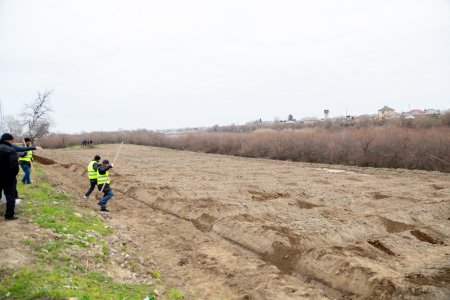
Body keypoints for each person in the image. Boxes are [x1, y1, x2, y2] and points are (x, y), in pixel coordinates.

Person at [0, 133, 20, 220]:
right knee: (10, 196)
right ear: (8, 140)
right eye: (12, 140)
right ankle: (9, 215)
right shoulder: (11, 150)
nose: (12, 142)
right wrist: (13, 175)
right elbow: (14, 166)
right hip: (8, 177)